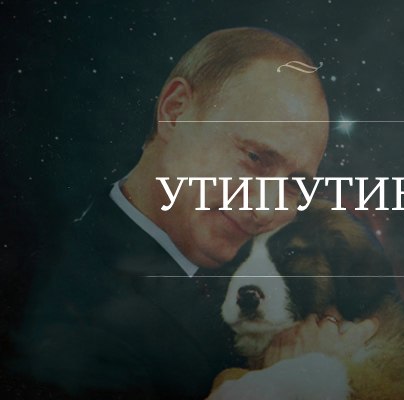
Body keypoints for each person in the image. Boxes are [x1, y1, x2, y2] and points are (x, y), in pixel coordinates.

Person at [12, 27, 377, 398]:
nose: (266, 209)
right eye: (255, 158)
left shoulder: (250, 273)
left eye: (294, 185)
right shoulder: (72, 314)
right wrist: (296, 379)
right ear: (175, 111)